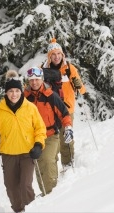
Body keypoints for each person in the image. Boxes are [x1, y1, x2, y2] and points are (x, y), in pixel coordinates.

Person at [0, 70, 46, 213]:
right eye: (11, 91)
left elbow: (40, 129)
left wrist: (38, 145)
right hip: (8, 154)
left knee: (25, 185)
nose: (14, 94)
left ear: (21, 92)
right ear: (6, 93)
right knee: (11, 187)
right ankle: (18, 210)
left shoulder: (30, 108)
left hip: (27, 153)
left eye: (17, 90)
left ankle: (31, 209)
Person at [23, 67, 73, 196]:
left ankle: (52, 194)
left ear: (42, 79)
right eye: (32, 80)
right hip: (33, 138)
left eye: (37, 79)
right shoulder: (24, 98)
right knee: (39, 164)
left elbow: (64, 113)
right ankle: (46, 192)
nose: (34, 82)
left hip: (50, 135)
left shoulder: (50, 95)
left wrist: (68, 127)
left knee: (47, 161)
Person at [42, 38, 86, 168]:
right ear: (49, 56)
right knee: (51, 141)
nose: (56, 57)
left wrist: (79, 85)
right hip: (49, 110)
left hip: (67, 109)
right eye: (53, 54)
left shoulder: (69, 68)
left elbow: (82, 90)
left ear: (62, 54)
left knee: (67, 138)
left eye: (58, 54)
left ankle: (68, 165)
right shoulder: (42, 70)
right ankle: (53, 168)